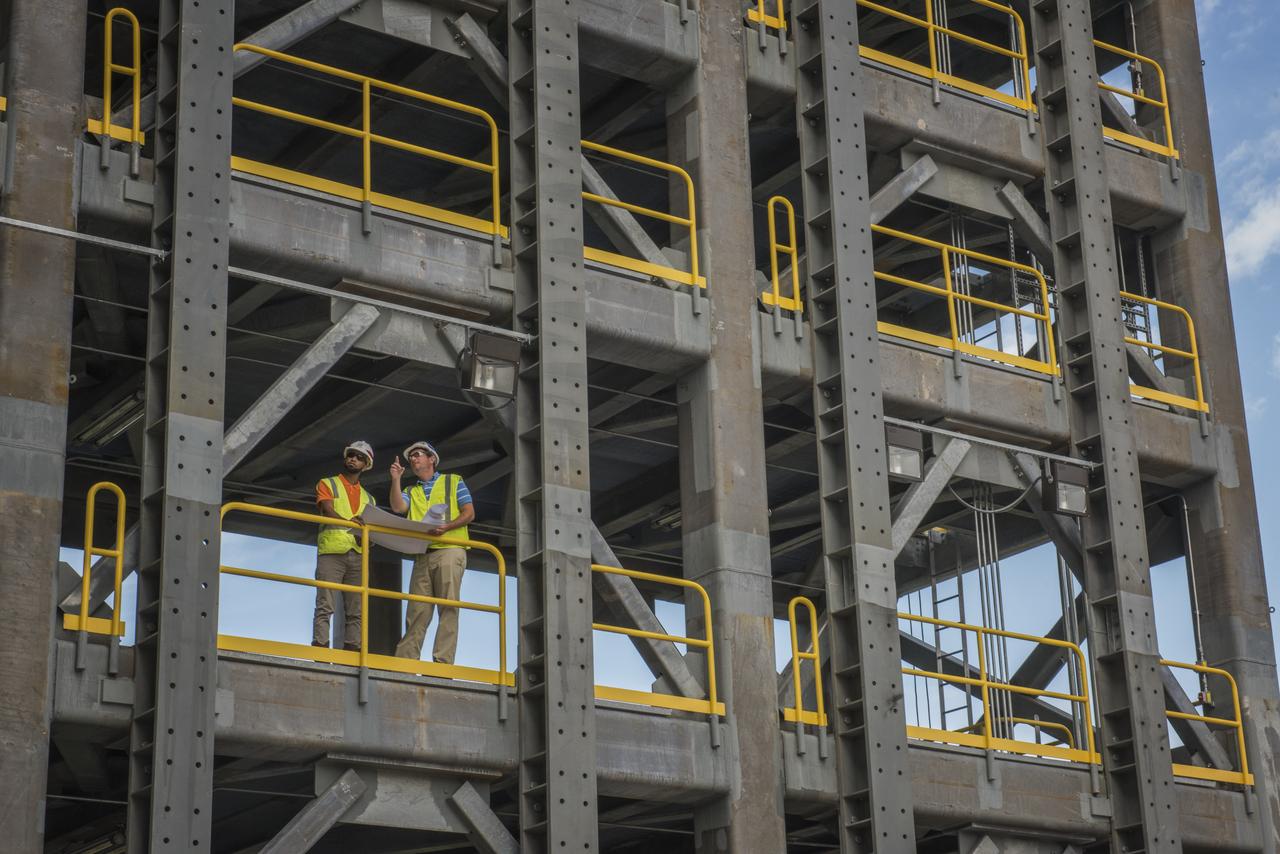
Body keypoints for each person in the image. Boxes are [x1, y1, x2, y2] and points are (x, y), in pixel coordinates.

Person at [388, 440, 475, 664]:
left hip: (450, 550)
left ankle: (443, 663)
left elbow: (469, 513)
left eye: (418, 454)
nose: (414, 459)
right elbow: (398, 508)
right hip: (422, 554)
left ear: (432, 459)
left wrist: (447, 527)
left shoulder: (453, 481)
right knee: (417, 612)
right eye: (412, 457)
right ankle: (405, 663)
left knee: (448, 608)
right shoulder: (410, 490)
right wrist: (396, 479)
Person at [312, 441, 376, 652]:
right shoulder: (327, 483)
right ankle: (320, 650)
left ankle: (352, 653)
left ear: (365, 464)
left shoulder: (369, 498)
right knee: (325, 605)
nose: (353, 459)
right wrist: (352, 524)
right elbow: (328, 509)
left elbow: (369, 531)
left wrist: (367, 537)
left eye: (358, 457)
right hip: (332, 552)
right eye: (351, 455)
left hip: (357, 554)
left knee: (356, 609)